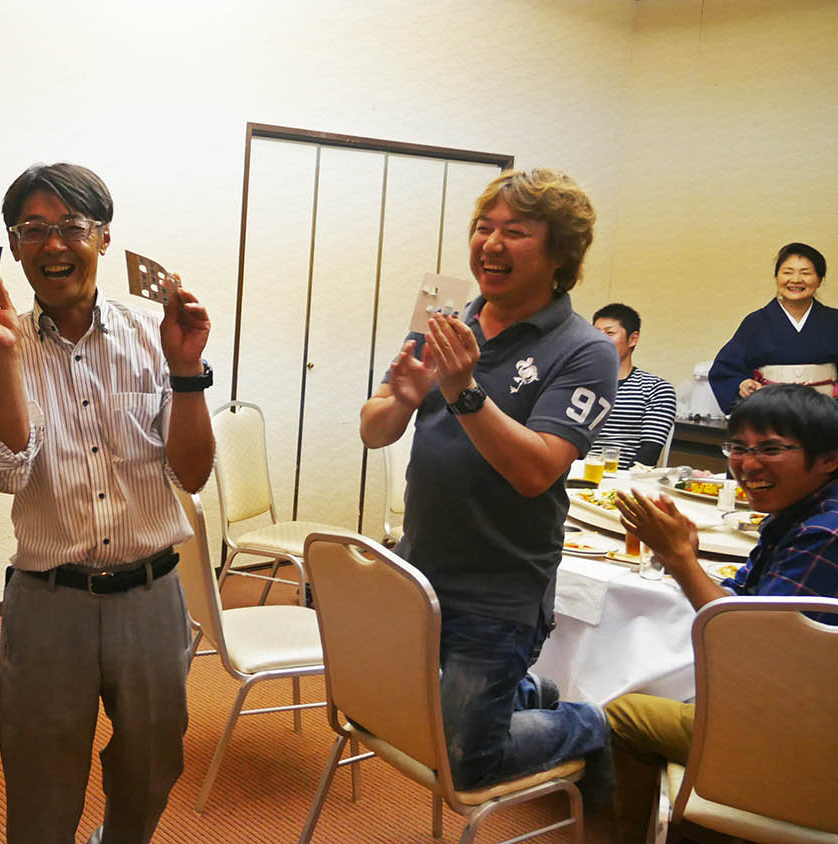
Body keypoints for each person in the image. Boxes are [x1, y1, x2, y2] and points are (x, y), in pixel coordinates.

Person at [0, 162, 214, 844]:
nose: (53, 244)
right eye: (32, 229)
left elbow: (192, 473)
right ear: (14, 248)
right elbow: (8, 473)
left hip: (152, 595)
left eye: (71, 225)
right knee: (40, 780)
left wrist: (188, 372)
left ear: (103, 236)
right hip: (49, 602)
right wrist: (8, 355)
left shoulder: (155, 334)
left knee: (153, 765)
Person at [358, 168, 619, 791]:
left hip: (500, 589)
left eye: (516, 232)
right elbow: (373, 429)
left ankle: (589, 723)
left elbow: (536, 471)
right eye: (483, 227)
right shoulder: (445, 319)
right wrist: (402, 400)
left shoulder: (586, 350)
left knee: (463, 766)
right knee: (383, 713)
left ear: (560, 255)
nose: (491, 244)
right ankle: (527, 693)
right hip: (420, 566)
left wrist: (463, 390)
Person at [607, 384, 838, 841]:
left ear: (828, 458)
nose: (747, 464)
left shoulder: (825, 533)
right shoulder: (800, 512)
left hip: (806, 730)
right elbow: (745, 600)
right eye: (738, 447)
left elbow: (747, 643)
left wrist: (680, 560)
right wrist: (686, 557)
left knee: (623, 714)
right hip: (798, 700)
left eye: (770, 449)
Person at [709, 242, 838, 413]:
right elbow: (725, 369)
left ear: (820, 279)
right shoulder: (756, 322)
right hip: (769, 414)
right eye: (787, 272)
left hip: (826, 415)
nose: (796, 280)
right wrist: (742, 383)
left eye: (806, 273)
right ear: (777, 277)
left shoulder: (834, 321)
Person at [590, 303, 677, 466]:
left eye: (610, 333)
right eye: (595, 333)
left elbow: (649, 452)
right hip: (577, 473)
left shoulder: (656, 389)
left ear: (633, 339)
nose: (600, 340)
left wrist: (622, 479)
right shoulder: (579, 384)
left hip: (623, 476)